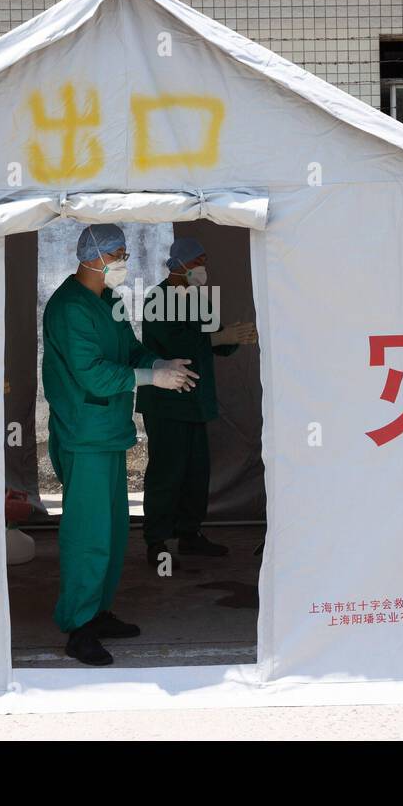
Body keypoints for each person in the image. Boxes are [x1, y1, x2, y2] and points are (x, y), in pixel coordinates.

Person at [41, 223, 199, 666]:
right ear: (93, 257)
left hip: (107, 430)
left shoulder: (107, 299)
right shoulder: (69, 307)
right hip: (83, 432)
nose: (124, 261)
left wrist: (158, 363)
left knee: (111, 529)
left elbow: (129, 351)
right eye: (120, 253)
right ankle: (78, 625)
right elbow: (90, 372)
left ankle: (98, 611)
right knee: (87, 533)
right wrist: (151, 378)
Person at [136, 236, 258, 568]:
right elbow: (177, 343)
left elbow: (215, 340)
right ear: (181, 264)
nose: (203, 268)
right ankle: (157, 540)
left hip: (195, 401)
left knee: (196, 471)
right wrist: (217, 337)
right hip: (167, 400)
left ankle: (190, 534)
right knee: (167, 471)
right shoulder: (157, 299)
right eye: (199, 261)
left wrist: (233, 336)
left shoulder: (199, 299)